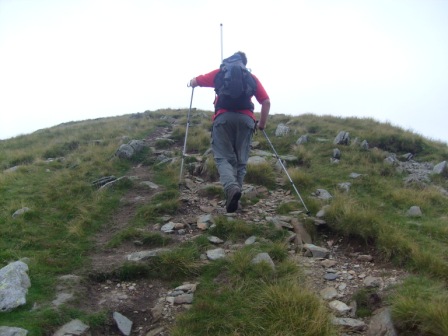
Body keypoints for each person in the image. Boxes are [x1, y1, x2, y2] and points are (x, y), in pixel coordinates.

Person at [189, 51, 271, 213]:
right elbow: (266, 101)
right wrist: (261, 124)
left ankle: (231, 188)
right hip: (246, 120)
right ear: (244, 64)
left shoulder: (221, 73)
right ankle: (234, 198)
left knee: (223, 158)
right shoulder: (250, 78)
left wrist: (192, 82)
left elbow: (197, 81)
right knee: (241, 162)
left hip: (223, 119)